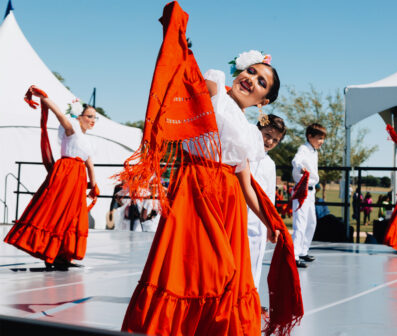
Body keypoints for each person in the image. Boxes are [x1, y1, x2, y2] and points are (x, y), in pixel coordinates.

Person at [120, 3, 302, 335]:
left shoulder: (249, 135)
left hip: (228, 203)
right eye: (251, 72)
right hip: (195, 191)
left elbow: (247, 185)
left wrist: (268, 220)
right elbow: (184, 79)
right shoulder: (216, 89)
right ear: (240, 71)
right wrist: (179, 43)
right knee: (190, 268)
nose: (251, 80)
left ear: (264, 101)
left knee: (228, 271)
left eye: (261, 82)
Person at [4, 85, 98, 270]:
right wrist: (43, 98)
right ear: (79, 117)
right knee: (57, 212)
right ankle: (50, 253)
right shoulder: (72, 131)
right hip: (66, 174)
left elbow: (89, 162)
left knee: (73, 216)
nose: (93, 120)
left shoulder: (86, 140)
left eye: (95, 117)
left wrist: (93, 184)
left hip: (77, 178)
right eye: (89, 116)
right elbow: (60, 115)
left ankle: (64, 256)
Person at [247, 114, 286, 306]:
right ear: (258, 131)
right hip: (237, 215)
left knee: (255, 261)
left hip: (258, 221)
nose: (270, 141)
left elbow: (270, 197)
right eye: (267, 135)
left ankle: (250, 299)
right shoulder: (243, 153)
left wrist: (272, 225)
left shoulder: (270, 165)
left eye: (275, 140)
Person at [291, 123, 326, 268]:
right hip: (302, 190)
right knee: (300, 223)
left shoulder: (314, 151)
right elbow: (296, 160)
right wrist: (300, 167)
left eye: (322, 139)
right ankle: (294, 254)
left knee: (311, 222)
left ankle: (303, 250)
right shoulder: (303, 149)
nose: (321, 142)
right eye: (319, 138)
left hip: (311, 191)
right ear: (309, 136)